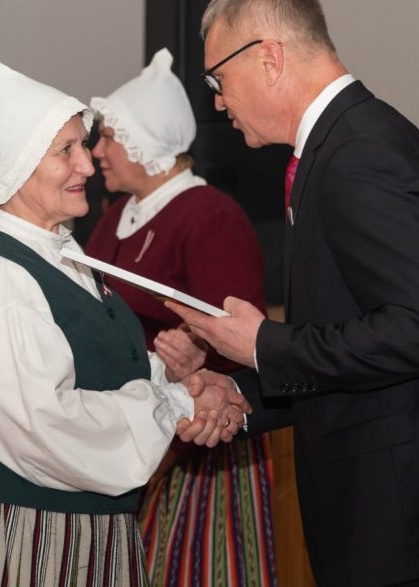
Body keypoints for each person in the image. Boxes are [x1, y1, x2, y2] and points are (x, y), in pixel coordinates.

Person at [163, 0, 419, 586]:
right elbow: (356, 337)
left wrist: (262, 345)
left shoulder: (358, 154)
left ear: (270, 58)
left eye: (218, 79)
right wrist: (244, 394)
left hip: (415, 520)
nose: (219, 101)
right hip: (403, 513)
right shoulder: (345, 142)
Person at [0, 47, 249, 585]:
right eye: (65, 150)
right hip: (5, 529)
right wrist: (173, 403)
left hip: (65, 521)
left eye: (84, 147)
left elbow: (96, 360)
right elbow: (42, 425)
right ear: (15, 163)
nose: (87, 164)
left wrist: (176, 377)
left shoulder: (60, 251)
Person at [84, 48, 277, 585]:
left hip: (198, 446)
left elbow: (245, 332)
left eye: (110, 137)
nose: (97, 151)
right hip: (129, 425)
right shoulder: (120, 213)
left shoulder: (211, 216)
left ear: (148, 143)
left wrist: (201, 354)